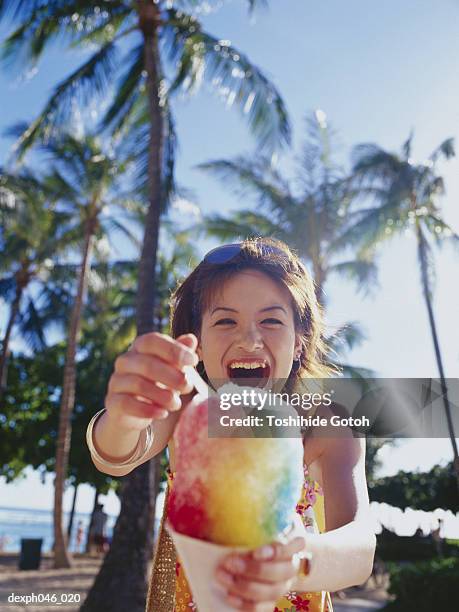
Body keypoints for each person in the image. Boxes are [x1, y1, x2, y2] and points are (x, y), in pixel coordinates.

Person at [88, 237, 376, 611]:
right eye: (225, 320)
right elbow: (116, 456)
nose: (250, 339)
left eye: (271, 320)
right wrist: (125, 418)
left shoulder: (328, 422)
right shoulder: (187, 409)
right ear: (199, 345)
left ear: (300, 341)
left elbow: (359, 549)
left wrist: (293, 561)